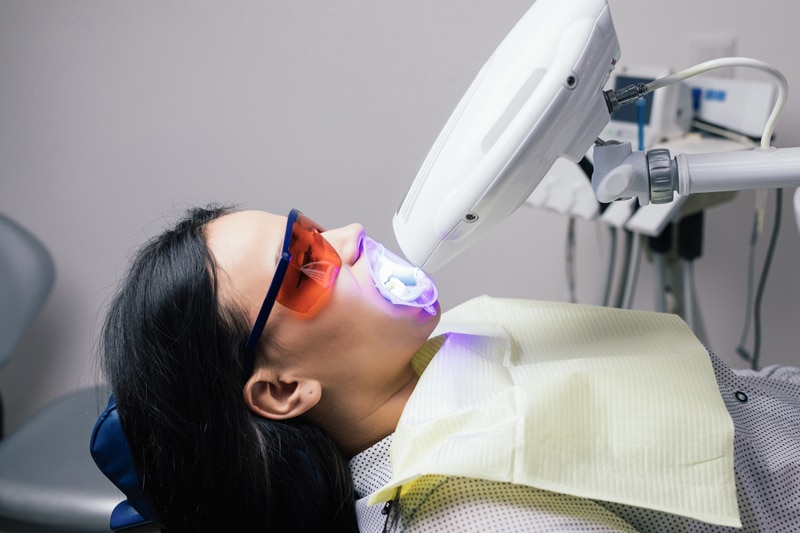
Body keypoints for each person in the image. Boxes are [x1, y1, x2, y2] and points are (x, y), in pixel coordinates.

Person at [100, 204, 800, 532]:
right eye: (307, 264)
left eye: (316, 228)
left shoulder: (449, 346)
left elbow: (732, 396)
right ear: (283, 388)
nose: (349, 238)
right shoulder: (476, 514)